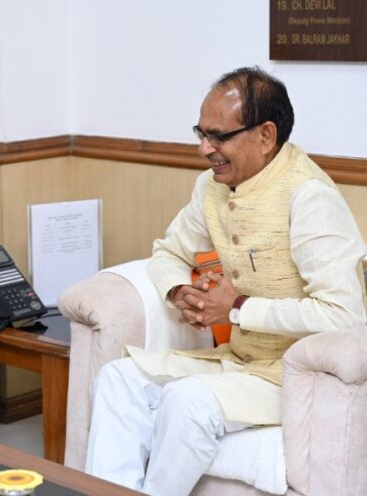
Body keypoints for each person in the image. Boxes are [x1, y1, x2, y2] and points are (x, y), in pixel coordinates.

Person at [85, 67, 367, 495]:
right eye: (201, 132)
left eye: (218, 136)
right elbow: (169, 251)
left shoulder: (309, 197)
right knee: (117, 379)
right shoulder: (211, 188)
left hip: (288, 378)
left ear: (265, 136)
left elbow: (345, 313)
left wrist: (238, 309)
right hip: (234, 362)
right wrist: (181, 292)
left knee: (187, 401)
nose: (204, 149)